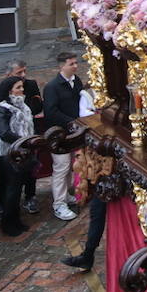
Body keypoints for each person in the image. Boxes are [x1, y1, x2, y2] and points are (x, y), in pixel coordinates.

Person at [0, 77, 34, 237]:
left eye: (22, 87)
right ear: (10, 91)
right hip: (9, 154)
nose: (22, 90)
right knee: (11, 190)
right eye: (18, 87)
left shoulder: (21, 105)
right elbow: (4, 133)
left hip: (21, 153)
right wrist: (24, 141)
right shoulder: (3, 109)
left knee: (16, 189)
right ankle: (8, 224)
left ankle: (16, 220)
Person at [43, 51, 85, 221]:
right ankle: (59, 203)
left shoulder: (77, 82)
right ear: (62, 66)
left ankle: (68, 194)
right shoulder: (52, 87)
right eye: (71, 64)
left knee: (70, 166)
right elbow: (51, 112)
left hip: (74, 132)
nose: (75, 66)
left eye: (76, 63)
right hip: (59, 134)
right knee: (61, 167)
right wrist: (72, 122)